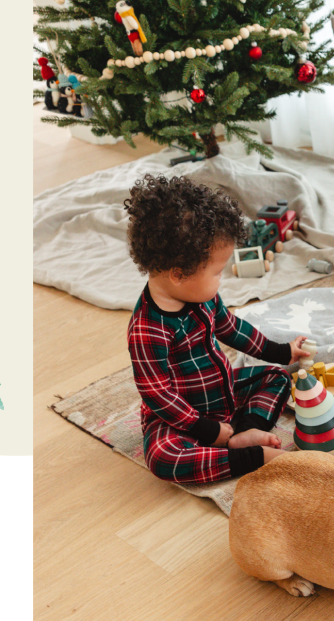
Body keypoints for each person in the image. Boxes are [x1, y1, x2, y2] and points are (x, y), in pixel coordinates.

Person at [124, 175, 313, 485]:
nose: (221, 280)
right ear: (179, 275)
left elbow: (231, 328)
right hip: (183, 419)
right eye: (217, 272)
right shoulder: (147, 329)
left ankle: (244, 433)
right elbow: (158, 395)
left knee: (277, 376)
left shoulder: (202, 295)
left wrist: (280, 351)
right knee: (163, 459)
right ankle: (251, 457)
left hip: (224, 396)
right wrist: (206, 430)